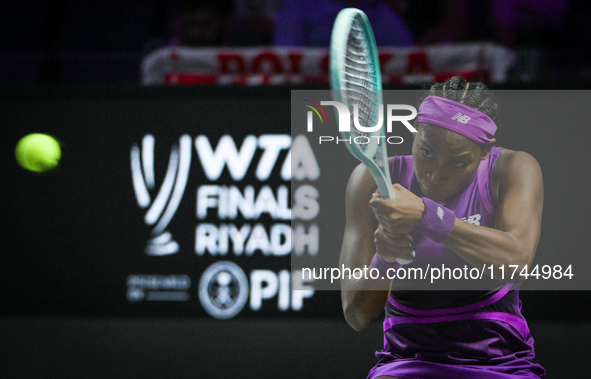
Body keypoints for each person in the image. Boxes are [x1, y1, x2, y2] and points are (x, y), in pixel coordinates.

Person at [340, 76, 545, 378]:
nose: (435, 176)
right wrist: (384, 259)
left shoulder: (514, 169)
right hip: (405, 363)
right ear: (415, 132)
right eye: (426, 153)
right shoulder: (370, 179)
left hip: (499, 364)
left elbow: (516, 261)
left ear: (486, 150)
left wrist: (428, 216)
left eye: (457, 162)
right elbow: (357, 315)